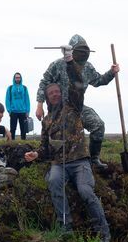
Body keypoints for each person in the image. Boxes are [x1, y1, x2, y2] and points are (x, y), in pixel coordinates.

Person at [24, 52, 111, 242]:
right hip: (59, 164)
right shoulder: (46, 121)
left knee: (85, 191)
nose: (54, 94)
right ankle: (66, 227)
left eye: (57, 91)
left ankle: (103, 232)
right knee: (54, 183)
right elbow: (45, 148)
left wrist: (70, 61)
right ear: (47, 98)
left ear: (62, 93)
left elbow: (78, 82)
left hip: (80, 162)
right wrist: (36, 154)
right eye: (51, 93)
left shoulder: (74, 106)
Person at [35, 34, 119, 169]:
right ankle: (52, 158)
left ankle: (94, 159)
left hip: (77, 107)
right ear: (71, 51)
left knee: (98, 126)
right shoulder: (57, 65)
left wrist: (112, 72)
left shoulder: (88, 67)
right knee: (60, 136)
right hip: (59, 109)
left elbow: (99, 81)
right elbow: (44, 83)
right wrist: (40, 104)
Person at [5, 72, 31, 140]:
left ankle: (23, 142)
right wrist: (9, 110)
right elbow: (7, 100)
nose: (18, 79)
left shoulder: (24, 88)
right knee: (13, 128)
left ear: (21, 78)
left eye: (19, 77)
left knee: (23, 129)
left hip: (23, 111)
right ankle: (11, 142)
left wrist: (27, 111)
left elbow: (27, 100)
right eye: (16, 77)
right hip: (13, 111)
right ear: (14, 78)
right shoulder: (10, 88)